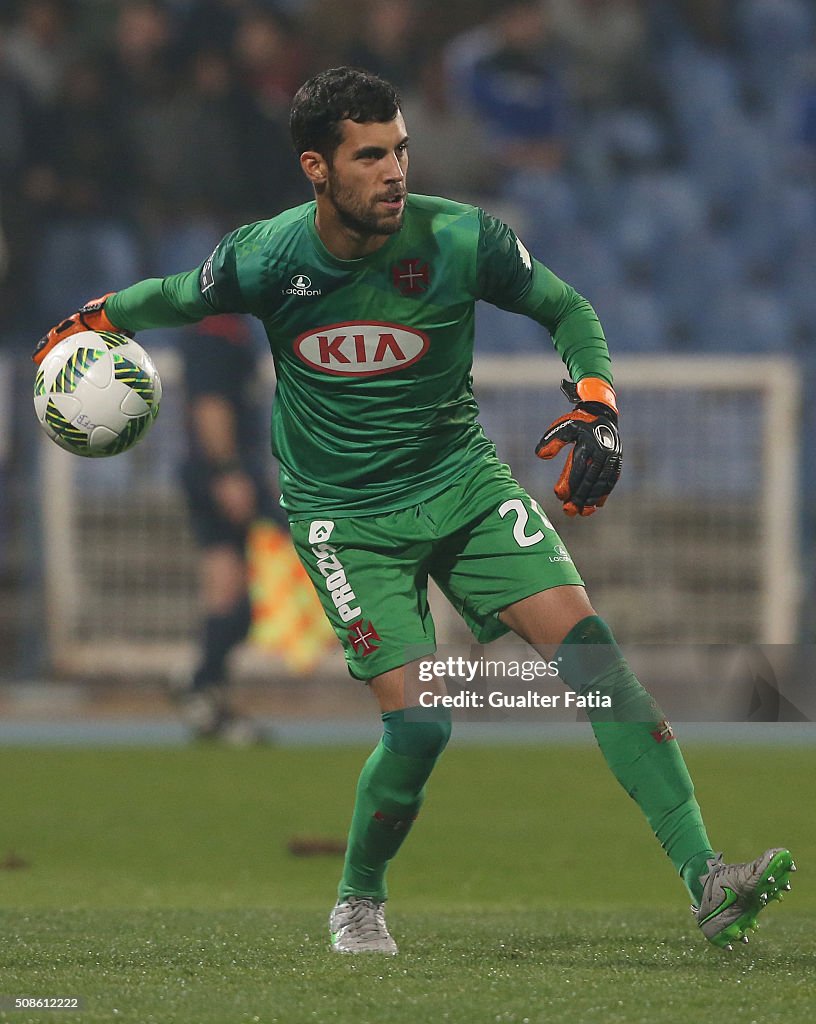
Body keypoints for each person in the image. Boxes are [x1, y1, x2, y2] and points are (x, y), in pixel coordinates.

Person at [34, 66, 795, 955]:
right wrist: (92, 317)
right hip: (345, 520)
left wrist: (598, 403)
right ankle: (359, 899)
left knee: (599, 667)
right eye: (370, 157)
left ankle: (707, 876)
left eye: (400, 148)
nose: (395, 170)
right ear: (317, 169)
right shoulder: (268, 258)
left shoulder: (463, 239)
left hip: (464, 484)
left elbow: (567, 308)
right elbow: (171, 295)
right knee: (424, 723)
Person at [174, 313, 287, 744]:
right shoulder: (216, 328)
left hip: (226, 471)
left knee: (235, 597)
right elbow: (211, 401)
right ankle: (201, 686)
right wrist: (227, 470)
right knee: (232, 597)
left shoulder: (223, 326)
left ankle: (204, 684)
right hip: (222, 474)